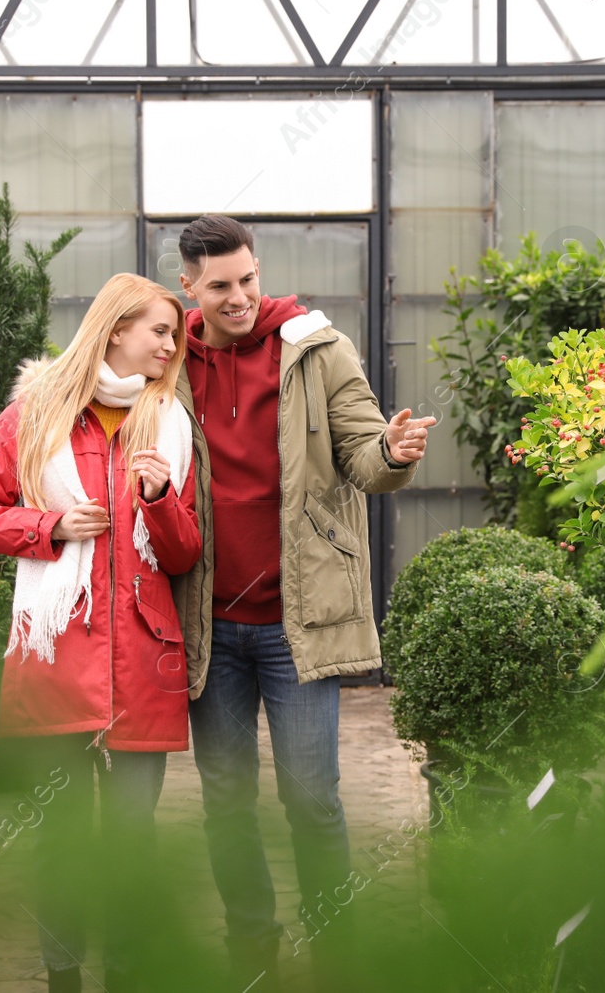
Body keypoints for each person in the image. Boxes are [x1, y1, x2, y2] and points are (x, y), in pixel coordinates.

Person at [170, 215, 434, 989]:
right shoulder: (169, 364)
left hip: (299, 621)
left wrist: (392, 452)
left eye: (247, 278)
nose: (239, 296)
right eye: (220, 285)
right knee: (225, 800)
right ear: (189, 286)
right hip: (210, 623)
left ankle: (335, 943)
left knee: (312, 796)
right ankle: (251, 939)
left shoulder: (317, 349)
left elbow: (361, 454)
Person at [0, 272, 200, 993]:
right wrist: (49, 525)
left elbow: (184, 554)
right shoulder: (35, 414)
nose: (170, 345)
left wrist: (157, 501)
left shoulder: (171, 424)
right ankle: (63, 977)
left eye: (174, 334)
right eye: (159, 329)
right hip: (56, 657)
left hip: (144, 665)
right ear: (116, 327)